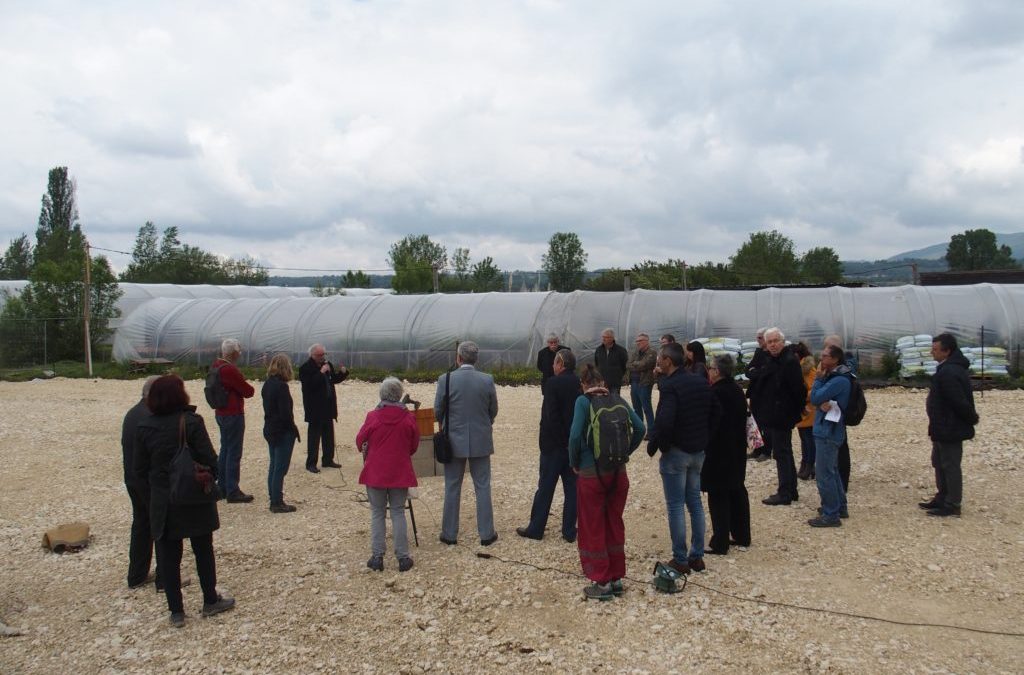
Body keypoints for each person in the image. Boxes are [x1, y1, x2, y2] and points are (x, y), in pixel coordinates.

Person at [134, 375, 234, 628]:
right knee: (203, 549)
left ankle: (176, 610)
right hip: (193, 496)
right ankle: (210, 600)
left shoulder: (144, 426)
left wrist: (154, 492)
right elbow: (211, 460)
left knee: (168, 554)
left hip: (163, 498)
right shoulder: (190, 422)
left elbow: (138, 469)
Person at [568, 363, 644, 600]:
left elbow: (574, 435)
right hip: (618, 473)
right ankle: (616, 578)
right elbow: (640, 428)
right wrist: (626, 453)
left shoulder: (583, 402)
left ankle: (601, 583)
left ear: (583, 385)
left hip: (592, 475)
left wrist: (575, 462)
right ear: (602, 383)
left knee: (592, 526)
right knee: (614, 522)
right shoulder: (617, 399)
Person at [648, 341, 720, 575]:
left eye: (660, 357)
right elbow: (716, 411)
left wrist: (662, 445)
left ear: (668, 361)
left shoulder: (670, 385)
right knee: (695, 504)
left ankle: (680, 558)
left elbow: (665, 420)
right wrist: (705, 438)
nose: (658, 361)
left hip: (677, 452)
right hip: (697, 452)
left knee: (676, 506)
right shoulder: (700, 380)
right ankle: (697, 556)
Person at [435, 341, 499, 546]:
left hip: (453, 440)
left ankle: (449, 534)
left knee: (452, 486)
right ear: (476, 358)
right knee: (483, 486)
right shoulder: (487, 380)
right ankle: (487, 533)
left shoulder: (445, 379)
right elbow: (493, 409)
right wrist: (484, 424)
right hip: (481, 438)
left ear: (458, 357)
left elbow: (438, 410)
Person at [356, 377, 420, 571]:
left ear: (381, 394)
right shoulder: (408, 418)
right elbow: (414, 445)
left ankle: (377, 557)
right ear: (399, 394)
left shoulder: (373, 416)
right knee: (398, 512)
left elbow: (360, 441)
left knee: (377, 513)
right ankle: (402, 557)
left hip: (376, 471)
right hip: (399, 470)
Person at [518, 349, 581, 542]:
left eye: (555, 363)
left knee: (545, 487)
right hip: (573, 445)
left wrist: (560, 441)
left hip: (553, 446)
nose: (553, 366)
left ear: (561, 364)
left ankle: (536, 528)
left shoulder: (553, 383)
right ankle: (569, 531)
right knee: (572, 490)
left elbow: (551, 416)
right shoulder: (578, 382)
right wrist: (571, 442)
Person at [920, 333, 979, 517]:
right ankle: (942, 496)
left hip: (949, 427)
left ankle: (952, 503)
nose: (932, 352)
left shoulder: (949, 372)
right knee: (939, 462)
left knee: (950, 464)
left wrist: (971, 418)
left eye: (935, 349)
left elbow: (958, 402)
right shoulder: (946, 369)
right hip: (942, 426)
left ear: (947, 351)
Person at [748, 328, 806, 506]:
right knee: (783, 452)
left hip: (782, 415)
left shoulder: (788, 361)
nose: (772, 345)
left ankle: (785, 492)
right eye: (770, 342)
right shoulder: (771, 360)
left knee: (782, 453)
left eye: (775, 341)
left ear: (782, 341)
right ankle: (790, 490)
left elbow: (798, 389)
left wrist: (796, 411)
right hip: (774, 414)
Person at [702, 355, 751, 554]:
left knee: (718, 494)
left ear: (717, 371)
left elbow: (710, 422)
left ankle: (720, 541)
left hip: (718, 450)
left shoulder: (715, 393)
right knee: (737, 490)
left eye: (711, 367)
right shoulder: (738, 390)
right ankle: (742, 535)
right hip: (737, 448)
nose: (709, 370)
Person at [122, 376, 161, 590]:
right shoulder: (149, 417)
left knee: (141, 526)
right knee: (162, 528)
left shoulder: (133, 413)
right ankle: (165, 578)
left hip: (133, 479)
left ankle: (137, 575)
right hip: (148, 482)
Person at [808, 344, 852, 527]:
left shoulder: (839, 380)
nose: (821, 360)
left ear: (835, 359)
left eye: (825, 356)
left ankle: (830, 513)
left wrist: (818, 380)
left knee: (824, 473)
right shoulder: (835, 377)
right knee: (832, 471)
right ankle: (839, 506)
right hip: (828, 429)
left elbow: (815, 397)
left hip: (828, 431)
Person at [212, 338, 256, 503]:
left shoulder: (216, 365)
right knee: (234, 452)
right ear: (234, 353)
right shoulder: (229, 370)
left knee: (225, 449)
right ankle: (232, 490)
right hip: (233, 413)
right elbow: (248, 391)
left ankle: (222, 486)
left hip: (221, 412)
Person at [299, 343, 349, 473]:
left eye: (323, 354)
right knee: (314, 437)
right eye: (319, 355)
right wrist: (321, 373)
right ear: (312, 355)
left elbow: (333, 380)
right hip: (315, 408)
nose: (322, 357)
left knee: (328, 435)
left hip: (328, 406)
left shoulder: (327, 365)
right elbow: (309, 386)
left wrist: (343, 373)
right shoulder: (305, 368)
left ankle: (327, 460)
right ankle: (311, 463)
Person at [262, 354, 301, 513]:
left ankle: (274, 497)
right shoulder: (282, 386)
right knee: (280, 468)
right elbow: (286, 413)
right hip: (282, 431)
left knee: (273, 465)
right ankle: (277, 502)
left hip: (270, 428)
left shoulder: (267, 384)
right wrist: (292, 429)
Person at [823, 335, 854, 491]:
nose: (822, 355)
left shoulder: (842, 372)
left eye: (826, 352)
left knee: (840, 448)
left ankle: (841, 482)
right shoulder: (840, 370)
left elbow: (819, 394)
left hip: (837, 414)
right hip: (833, 413)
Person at [793, 342, 817, 481]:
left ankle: (810, 466)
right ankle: (806, 464)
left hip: (809, 409)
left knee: (809, 440)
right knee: (804, 439)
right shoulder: (799, 369)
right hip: (803, 409)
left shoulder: (808, 370)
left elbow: (813, 389)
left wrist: (801, 396)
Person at [626, 333, 657, 434]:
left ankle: (651, 431)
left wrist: (635, 364)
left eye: (640, 341)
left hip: (644, 383)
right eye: (637, 341)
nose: (638, 343)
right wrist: (637, 365)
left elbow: (645, 364)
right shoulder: (635, 352)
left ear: (646, 341)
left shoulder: (652, 352)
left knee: (646, 408)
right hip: (634, 383)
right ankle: (639, 429)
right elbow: (628, 365)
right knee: (636, 408)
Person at [594, 328, 628, 396]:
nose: (603, 339)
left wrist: (618, 376)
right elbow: (597, 364)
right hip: (602, 383)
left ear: (612, 338)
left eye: (606, 337)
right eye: (603, 337)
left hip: (615, 384)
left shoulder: (621, 351)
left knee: (614, 401)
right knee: (603, 402)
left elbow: (624, 366)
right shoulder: (599, 350)